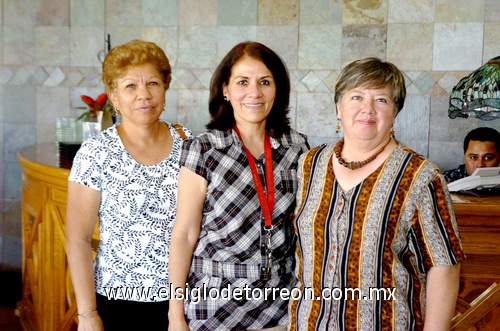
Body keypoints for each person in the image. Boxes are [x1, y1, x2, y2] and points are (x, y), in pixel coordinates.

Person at [289, 57, 465, 330]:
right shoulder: (310, 164)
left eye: (381, 100)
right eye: (356, 97)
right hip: (309, 322)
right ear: (339, 107)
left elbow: (444, 266)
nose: (367, 109)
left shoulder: (420, 176)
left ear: (395, 112)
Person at [168, 41, 309, 331]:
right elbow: (183, 234)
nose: (254, 93)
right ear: (225, 89)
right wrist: (174, 315)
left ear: (278, 89)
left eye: (265, 82)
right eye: (243, 82)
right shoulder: (203, 149)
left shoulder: (297, 147)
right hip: (214, 300)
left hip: (279, 300)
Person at [66, 39, 192, 330]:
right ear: (114, 97)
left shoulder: (189, 143)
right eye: (130, 87)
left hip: (184, 301)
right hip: (117, 302)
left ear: (165, 89)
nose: (144, 95)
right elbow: (78, 239)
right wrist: (87, 315)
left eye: (153, 83)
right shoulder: (96, 153)